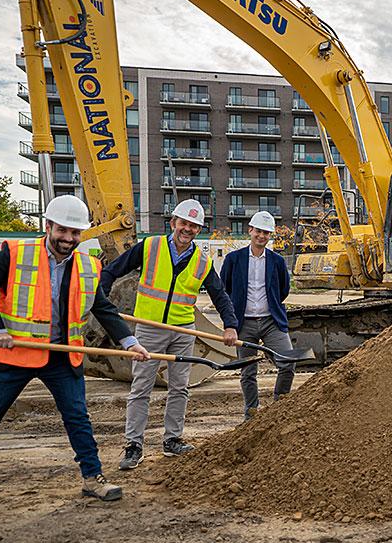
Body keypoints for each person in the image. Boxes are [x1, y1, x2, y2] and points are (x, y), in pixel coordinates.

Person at [0, 195, 151, 521]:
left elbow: (103, 308)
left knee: (78, 418)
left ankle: (93, 478)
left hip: (62, 357)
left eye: (75, 233)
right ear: (48, 226)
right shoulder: (16, 254)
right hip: (12, 356)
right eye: (63, 230)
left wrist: (129, 341)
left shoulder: (89, 266)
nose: (68, 239)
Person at [100, 199, 239, 471]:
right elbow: (113, 270)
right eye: (184, 223)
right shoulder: (150, 246)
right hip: (149, 327)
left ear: (198, 229)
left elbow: (219, 295)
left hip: (182, 329)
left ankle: (172, 439)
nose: (187, 229)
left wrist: (230, 325)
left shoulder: (201, 260)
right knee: (141, 386)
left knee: (180, 387)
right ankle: (134, 445)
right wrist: (99, 295)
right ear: (174, 222)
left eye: (193, 225)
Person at [221, 210, 294, 420]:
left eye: (267, 233)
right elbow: (224, 288)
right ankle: (251, 413)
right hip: (243, 324)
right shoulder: (234, 259)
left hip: (271, 322)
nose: (262, 236)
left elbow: (283, 290)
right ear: (250, 230)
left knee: (287, 363)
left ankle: (281, 405)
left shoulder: (277, 261)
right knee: (248, 371)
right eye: (259, 231)